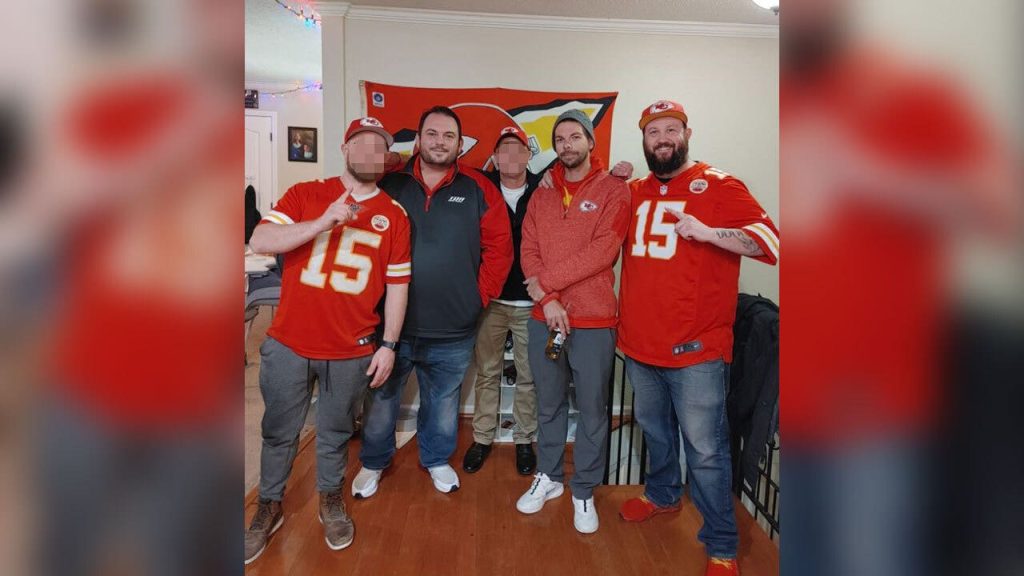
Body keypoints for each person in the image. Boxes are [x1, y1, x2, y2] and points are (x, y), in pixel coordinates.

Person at [617, 100, 779, 576]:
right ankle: (663, 494)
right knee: (655, 431)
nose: (662, 138)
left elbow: (771, 242)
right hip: (640, 345)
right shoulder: (633, 190)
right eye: (653, 132)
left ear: (687, 134)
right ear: (644, 139)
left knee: (706, 451)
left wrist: (711, 233)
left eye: (671, 129)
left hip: (697, 350)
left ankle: (722, 543)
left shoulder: (720, 184)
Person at [243, 117, 411, 562]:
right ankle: (268, 506)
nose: (371, 153)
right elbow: (261, 238)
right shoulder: (306, 193)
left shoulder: (394, 215)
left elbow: (398, 285)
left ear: (387, 159)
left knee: (335, 432)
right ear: (345, 148)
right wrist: (321, 222)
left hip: (351, 349)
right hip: (289, 343)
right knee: (278, 432)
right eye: (362, 143)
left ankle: (330, 499)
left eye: (380, 147)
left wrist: (389, 345)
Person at [353, 106, 513, 496]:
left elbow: (500, 249)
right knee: (381, 400)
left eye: (449, 136)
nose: (440, 142)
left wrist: (476, 297)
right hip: (391, 329)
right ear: (419, 139)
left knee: (442, 403)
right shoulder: (389, 182)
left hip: (453, 327)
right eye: (432, 134)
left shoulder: (478, 187)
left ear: (460, 144)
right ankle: (373, 462)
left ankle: (437, 459)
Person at [515, 109, 629, 534]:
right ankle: (549, 476)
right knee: (548, 403)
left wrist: (546, 284)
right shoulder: (542, 192)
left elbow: (603, 251)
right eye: (560, 139)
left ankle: (583, 488)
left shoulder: (615, 189)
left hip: (594, 321)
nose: (567, 145)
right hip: (544, 318)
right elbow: (528, 249)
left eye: (575, 137)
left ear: (590, 142)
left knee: (593, 409)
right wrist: (548, 299)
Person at [462, 126, 541, 476]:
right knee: (488, 372)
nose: (510, 155)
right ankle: (482, 438)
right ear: (494, 157)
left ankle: (524, 439)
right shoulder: (479, 186)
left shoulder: (545, 187)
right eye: (503, 149)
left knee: (528, 376)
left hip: (531, 302)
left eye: (517, 148)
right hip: (490, 299)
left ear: (528, 155)